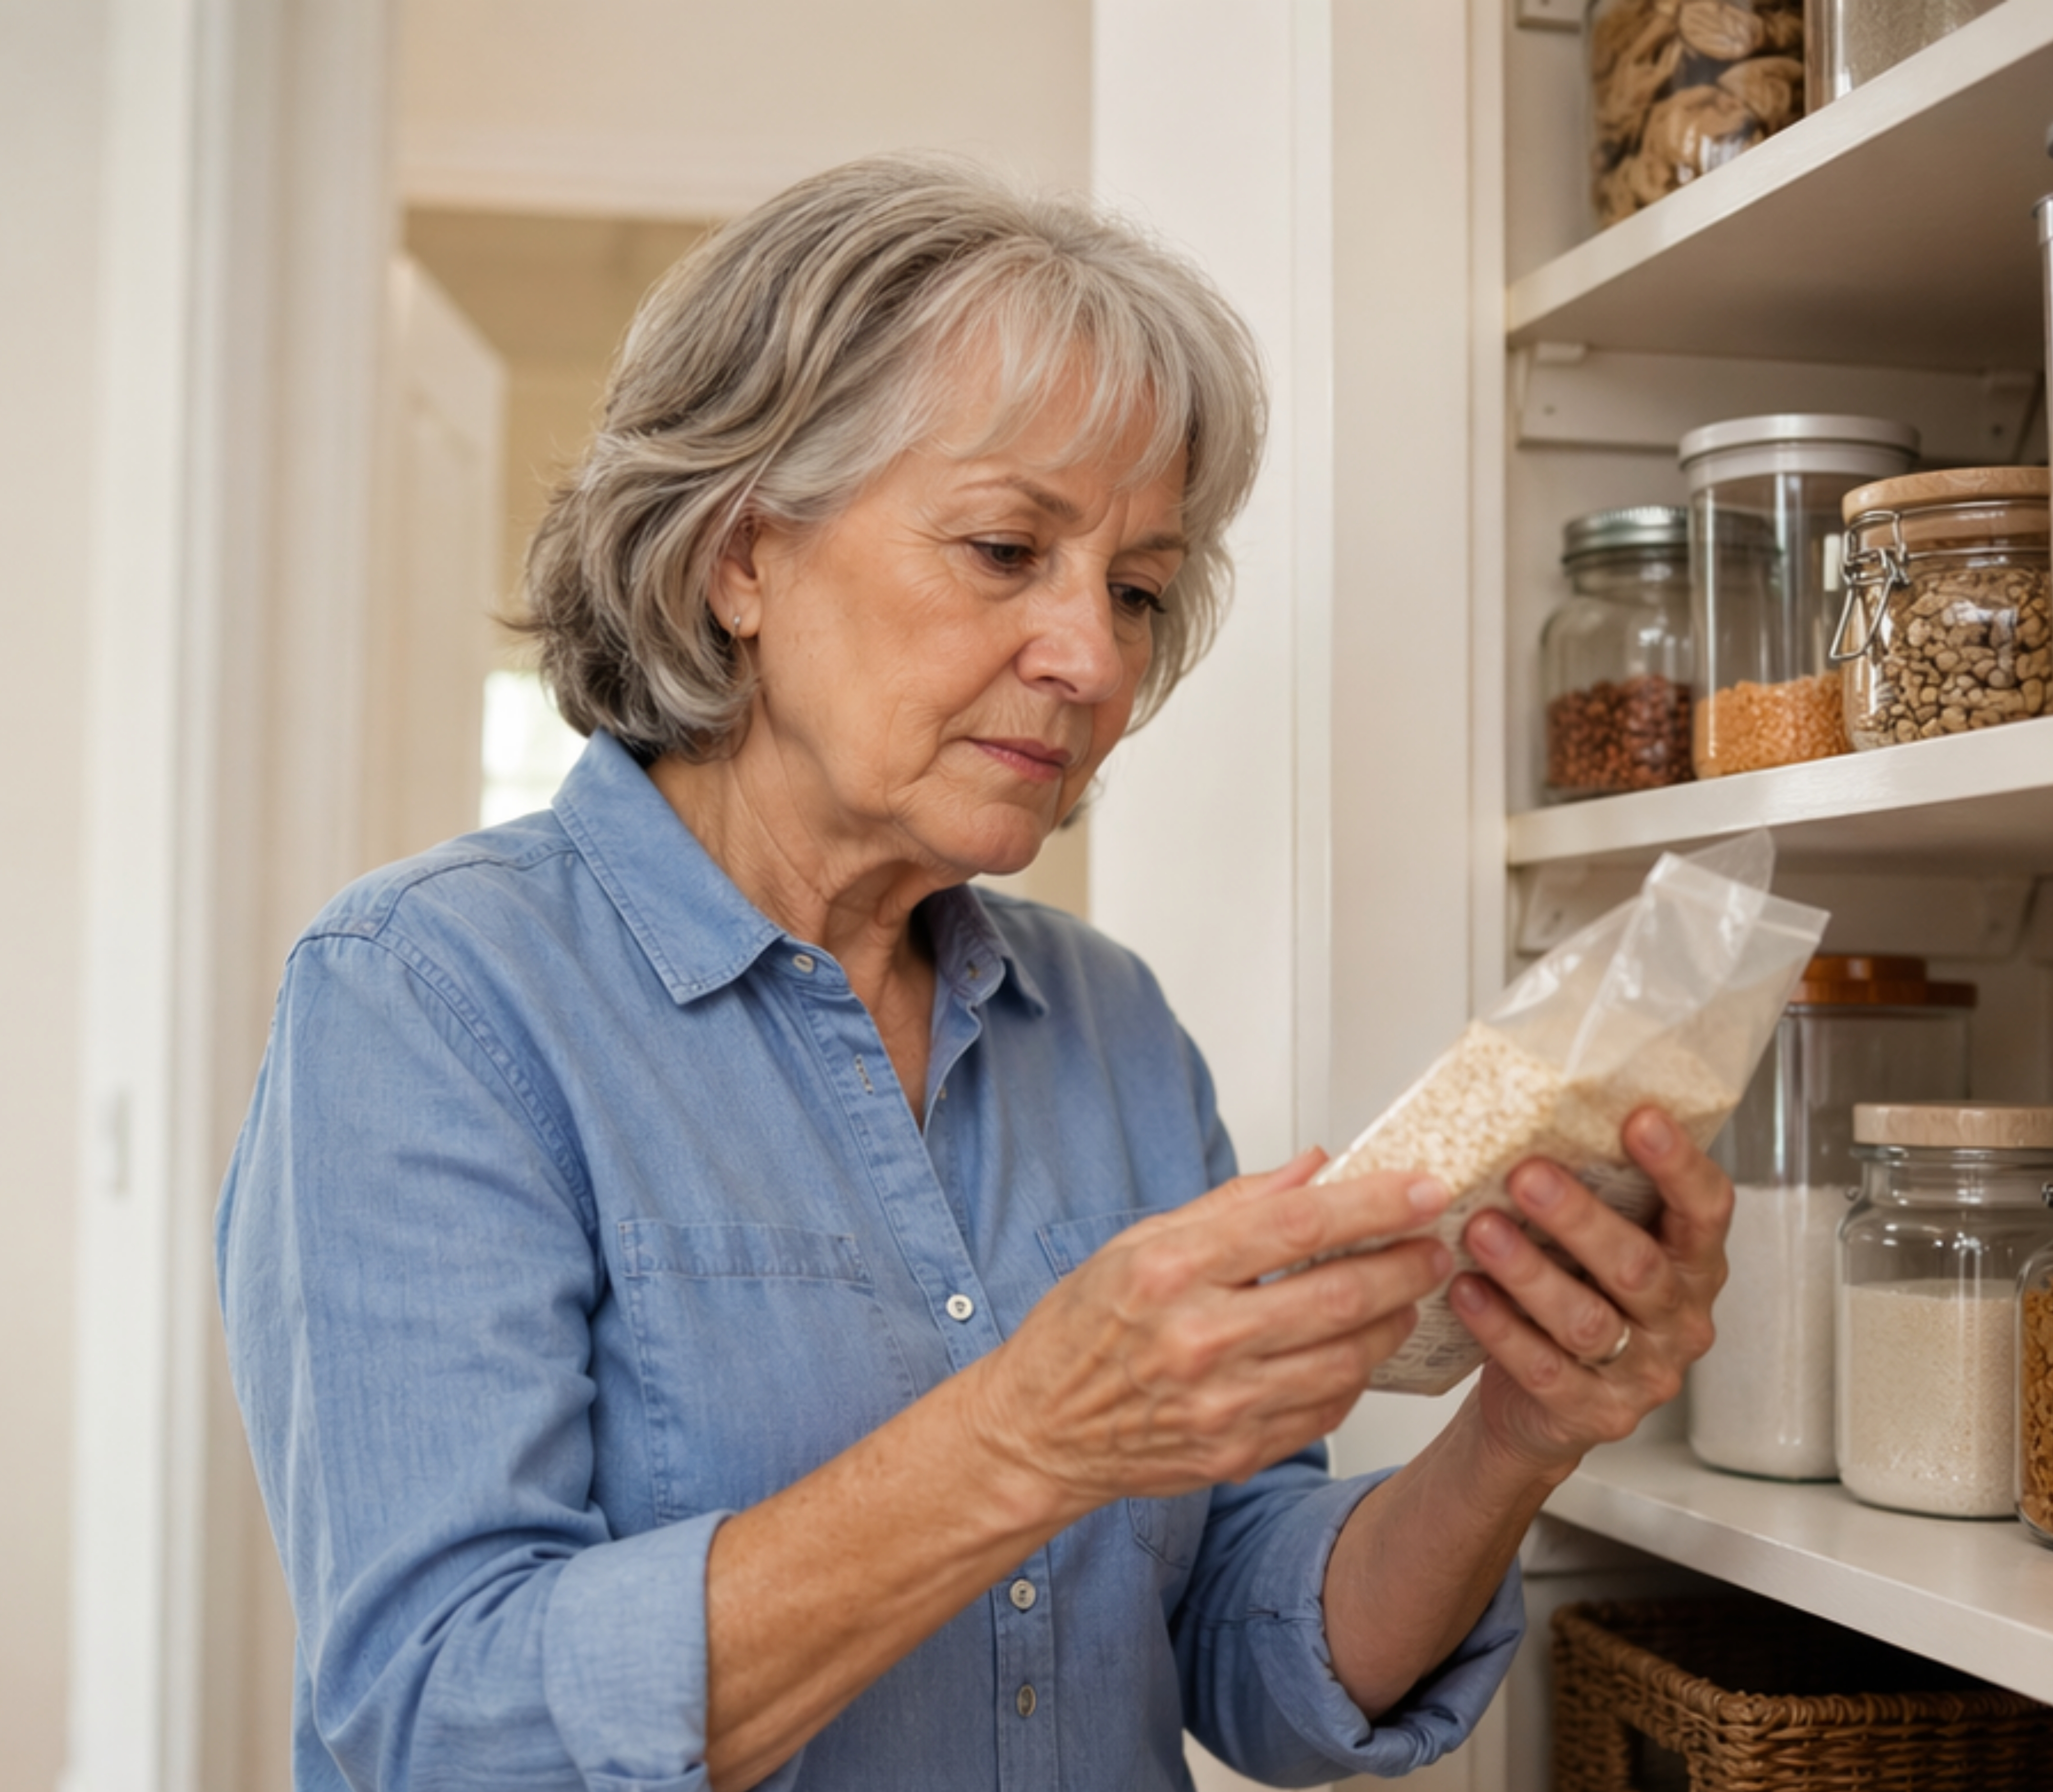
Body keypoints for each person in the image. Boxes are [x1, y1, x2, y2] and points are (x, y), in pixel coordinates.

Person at [217, 153, 1732, 1792]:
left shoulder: (1108, 1022)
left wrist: (1517, 1429)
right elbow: (443, 1726)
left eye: (1137, 590)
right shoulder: (431, 997)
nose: (1091, 659)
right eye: (1006, 549)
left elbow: (1253, 1655)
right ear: (741, 555)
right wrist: (1026, 1435)